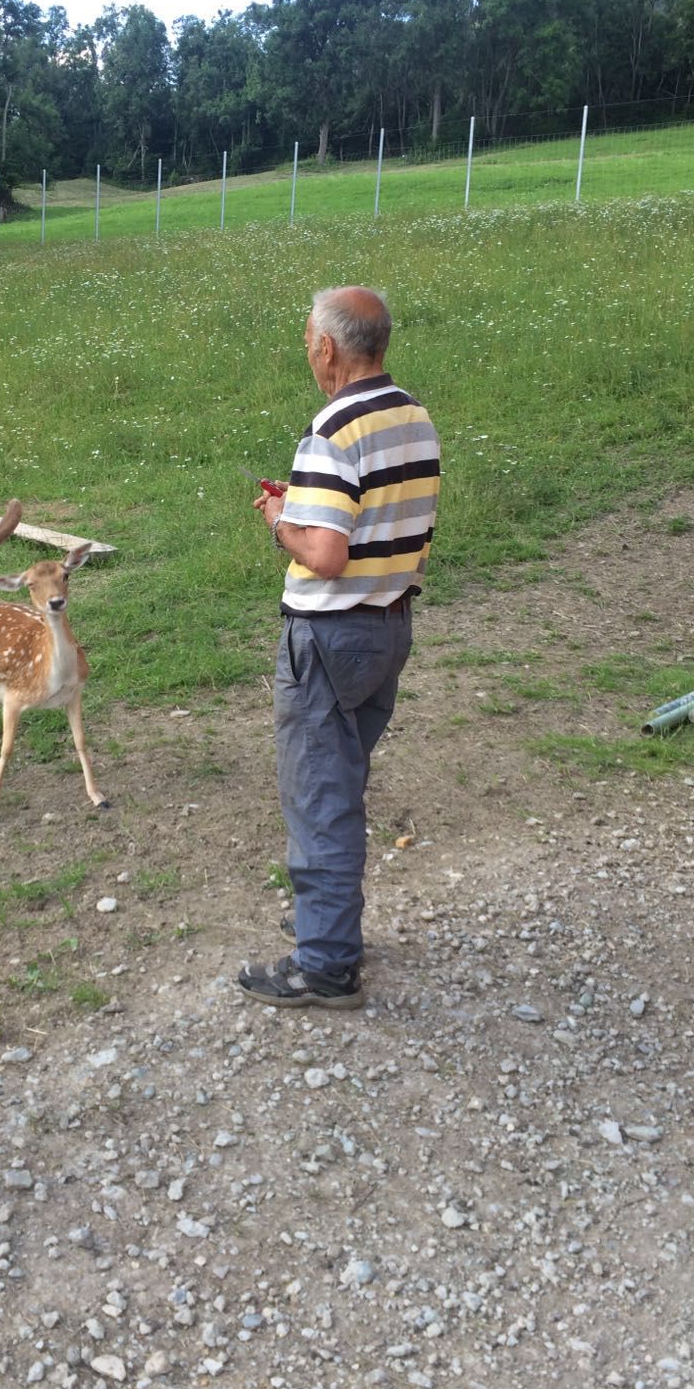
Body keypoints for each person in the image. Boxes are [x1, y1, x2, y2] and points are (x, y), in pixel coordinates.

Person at [238, 286, 440, 1010]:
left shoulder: (332, 429)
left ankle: (324, 965)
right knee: (343, 783)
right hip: (389, 627)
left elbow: (323, 554)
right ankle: (335, 931)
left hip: (328, 637)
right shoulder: (412, 415)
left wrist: (279, 517)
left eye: (307, 341)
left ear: (328, 347)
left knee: (319, 795)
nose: (307, 352)